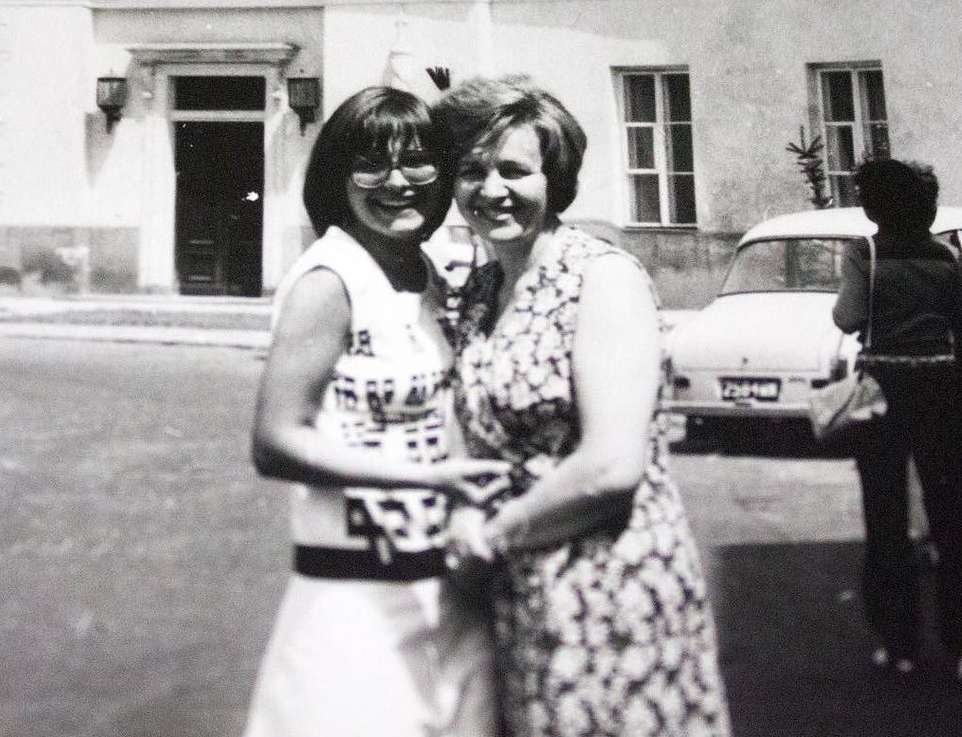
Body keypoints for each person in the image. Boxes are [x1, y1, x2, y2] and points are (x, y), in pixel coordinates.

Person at [434, 75, 731, 737]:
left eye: (514, 171)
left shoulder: (601, 278)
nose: (491, 189)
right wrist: (463, 513)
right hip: (521, 594)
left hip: (608, 591)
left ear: (555, 179)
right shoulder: (482, 288)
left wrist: (490, 535)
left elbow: (610, 467)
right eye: (473, 171)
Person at [243, 86, 510, 737]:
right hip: (354, 599)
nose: (396, 182)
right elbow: (276, 442)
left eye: (416, 161)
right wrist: (430, 479)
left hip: (446, 590)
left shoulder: (428, 274)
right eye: (370, 165)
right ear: (337, 180)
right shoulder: (330, 280)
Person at [833, 158, 962, 679]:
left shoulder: (863, 253)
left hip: (882, 391)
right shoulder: (950, 257)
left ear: (875, 208)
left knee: (886, 515)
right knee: (950, 514)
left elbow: (848, 317)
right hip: (944, 387)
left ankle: (899, 642)